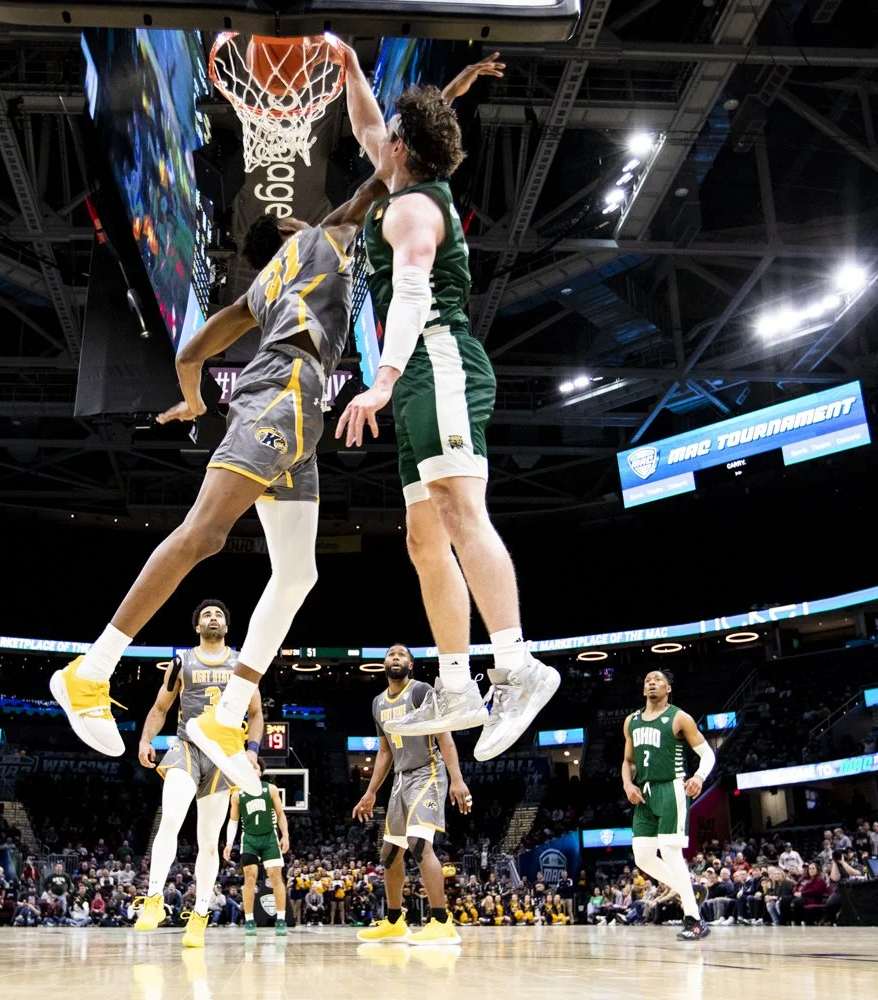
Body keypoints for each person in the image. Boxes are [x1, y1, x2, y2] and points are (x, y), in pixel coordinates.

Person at [48, 169, 390, 798]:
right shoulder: (321, 239)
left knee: (299, 574)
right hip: (283, 395)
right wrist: (437, 108)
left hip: (296, 410)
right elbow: (377, 178)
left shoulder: (261, 288)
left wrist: (194, 403)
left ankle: (227, 717)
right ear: (292, 228)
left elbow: (188, 355)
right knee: (203, 535)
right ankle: (89, 671)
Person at [332, 45, 559, 759]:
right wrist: (349, 70)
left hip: (437, 361)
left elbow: (410, 292)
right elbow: (369, 122)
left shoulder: (412, 214)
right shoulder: (400, 175)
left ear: (404, 149)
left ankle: (518, 667)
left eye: (389, 135)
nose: (377, 138)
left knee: (462, 514)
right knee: (422, 538)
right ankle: (457, 682)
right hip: (420, 379)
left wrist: (385, 376)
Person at [130, 601, 263, 948]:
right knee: (171, 818)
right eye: (206, 615)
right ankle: (154, 899)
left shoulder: (241, 664)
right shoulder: (181, 662)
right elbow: (161, 707)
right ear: (197, 627)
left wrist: (252, 751)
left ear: (227, 627)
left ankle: (200, 916)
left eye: (219, 614)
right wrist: (145, 739)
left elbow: (257, 712)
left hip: (224, 755)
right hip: (187, 746)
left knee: (209, 842)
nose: (213, 617)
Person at [353, 644, 471, 945]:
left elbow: (444, 736)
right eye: (391, 655)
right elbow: (384, 752)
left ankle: (441, 922)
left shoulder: (421, 691)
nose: (395, 657)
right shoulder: (378, 703)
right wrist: (370, 792)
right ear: (384, 664)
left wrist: (457, 779)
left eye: (401, 655)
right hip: (400, 779)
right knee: (390, 854)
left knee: (419, 844)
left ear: (411, 665)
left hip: (427, 771)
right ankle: (394, 922)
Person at [622, 669, 716, 942]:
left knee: (670, 852)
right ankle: (690, 890)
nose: (651, 682)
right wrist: (628, 784)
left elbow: (707, 754)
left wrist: (698, 776)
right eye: (647, 680)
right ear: (643, 690)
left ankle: (695, 919)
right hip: (644, 792)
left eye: (658, 680)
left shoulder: (679, 717)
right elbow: (628, 761)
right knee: (642, 857)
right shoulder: (631, 721)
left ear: (668, 688)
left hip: (671, 788)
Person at [224, 758, 290, 937]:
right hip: (250, 839)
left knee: (276, 876)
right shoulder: (237, 794)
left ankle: (281, 919)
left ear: (260, 772)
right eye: (248, 767)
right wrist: (229, 843)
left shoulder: (270, 789)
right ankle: (250, 920)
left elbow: (281, 814)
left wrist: (285, 835)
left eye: (255, 767)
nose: (252, 769)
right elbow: (233, 820)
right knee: (250, 878)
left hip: (269, 837)